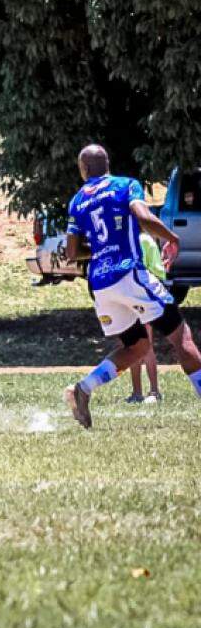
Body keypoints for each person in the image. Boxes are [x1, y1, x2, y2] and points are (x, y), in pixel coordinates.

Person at [63, 144, 201, 429]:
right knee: (181, 336)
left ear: (83, 169)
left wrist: (103, 248)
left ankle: (83, 389)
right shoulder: (126, 185)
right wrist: (173, 239)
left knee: (136, 347)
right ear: (107, 164)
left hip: (100, 285)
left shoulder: (77, 201)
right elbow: (144, 218)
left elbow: (72, 252)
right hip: (129, 273)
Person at [126, 232, 166, 404]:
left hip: (142, 298)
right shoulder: (133, 239)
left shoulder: (145, 241)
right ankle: (137, 392)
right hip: (130, 298)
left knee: (144, 346)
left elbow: (157, 273)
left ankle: (154, 391)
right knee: (134, 346)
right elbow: (160, 272)